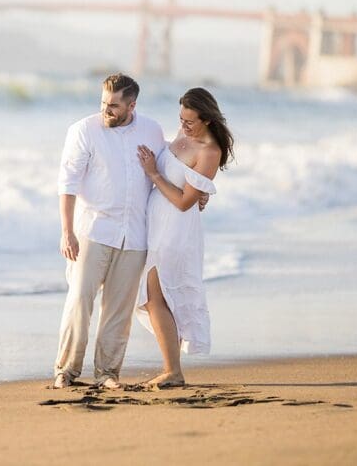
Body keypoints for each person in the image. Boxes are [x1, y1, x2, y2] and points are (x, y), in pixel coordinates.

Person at [52, 73, 167, 390]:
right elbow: (68, 182)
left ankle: (107, 374)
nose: (107, 110)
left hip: (135, 235)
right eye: (104, 103)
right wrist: (67, 231)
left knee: (119, 310)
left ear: (132, 105)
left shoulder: (152, 130)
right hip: (94, 230)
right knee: (79, 301)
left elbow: (169, 168)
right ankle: (66, 370)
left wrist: (197, 192)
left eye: (115, 105)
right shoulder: (83, 130)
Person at [134, 86, 234, 388]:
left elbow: (184, 202)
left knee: (155, 297)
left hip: (175, 230)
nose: (184, 126)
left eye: (190, 122)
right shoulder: (182, 136)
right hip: (154, 224)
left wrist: (153, 174)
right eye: (181, 119)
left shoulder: (209, 151)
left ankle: (173, 371)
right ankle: (171, 368)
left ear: (206, 120)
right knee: (160, 297)